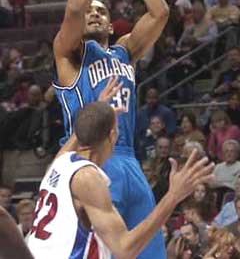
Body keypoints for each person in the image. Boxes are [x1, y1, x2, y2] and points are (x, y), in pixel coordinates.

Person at [53, 0, 170, 259]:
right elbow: (74, 8)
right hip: (88, 159)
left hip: (129, 159)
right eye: (90, 11)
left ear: (110, 21)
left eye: (101, 11)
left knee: (150, 253)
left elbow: (160, 12)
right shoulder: (70, 54)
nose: (92, 14)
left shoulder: (125, 51)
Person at [28, 101, 215, 259]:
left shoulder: (59, 163)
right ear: (113, 136)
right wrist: (173, 196)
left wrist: (97, 113)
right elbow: (125, 248)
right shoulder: (88, 178)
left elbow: (84, 130)